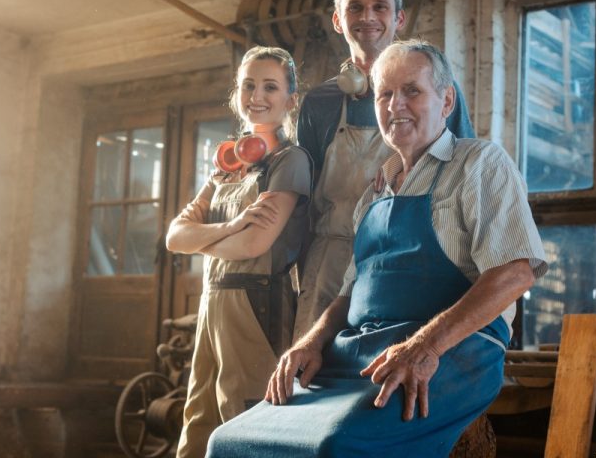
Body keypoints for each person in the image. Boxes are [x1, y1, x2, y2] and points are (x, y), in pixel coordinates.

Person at [206, 40, 547, 457]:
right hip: (362, 354)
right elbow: (351, 293)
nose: (395, 104)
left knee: (336, 446)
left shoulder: (479, 162)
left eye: (412, 91)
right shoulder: (375, 191)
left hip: (452, 355)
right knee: (231, 441)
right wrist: (310, 342)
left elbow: (515, 271)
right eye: (385, 93)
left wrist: (425, 346)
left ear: (447, 100)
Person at [292, 0, 476, 341]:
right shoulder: (320, 102)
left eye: (380, 6)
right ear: (338, 20)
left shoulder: (435, 90)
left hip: (401, 256)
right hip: (330, 256)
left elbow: (461, 168)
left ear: (400, 18)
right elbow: (303, 200)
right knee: (310, 371)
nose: (368, 17)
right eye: (355, 7)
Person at [165, 46, 312, 458]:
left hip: (258, 302)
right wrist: (230, 225)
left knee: (244, 419)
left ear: (291, 99)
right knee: (199, 419)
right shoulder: (226, 166)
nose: (257, 96)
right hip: (213, 303)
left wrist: (204, 240)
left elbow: (255, 244)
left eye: (270, 86)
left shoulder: (290, 161)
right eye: (248, 85)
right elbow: (174, 237)